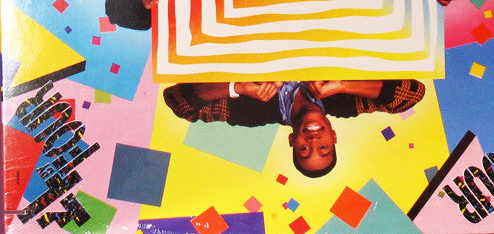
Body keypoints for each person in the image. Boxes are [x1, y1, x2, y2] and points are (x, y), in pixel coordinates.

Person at [163, 79, 425, 177]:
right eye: (324, 147)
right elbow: (413, 94)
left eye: (304, 149)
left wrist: (238, 86)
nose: (313, 140)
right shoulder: (346, 102)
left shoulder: (253, 111)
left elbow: (179, 103)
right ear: (334, 136)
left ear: (292, 141)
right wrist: (344, 84)